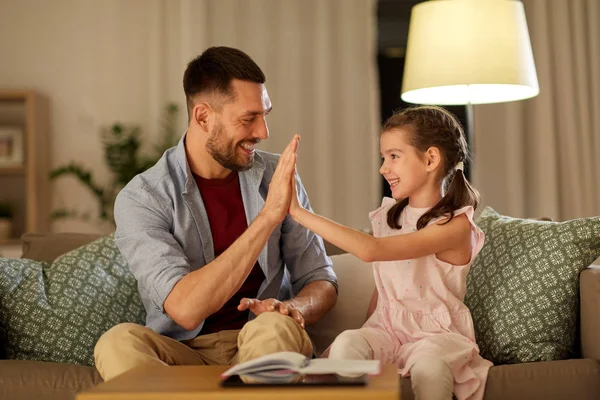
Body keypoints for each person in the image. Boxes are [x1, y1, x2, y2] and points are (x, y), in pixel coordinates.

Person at [94, 46, 338, 381]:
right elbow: (185, 310)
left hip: (259, 338)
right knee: (117, 342)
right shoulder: (142, 197)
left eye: (264, 114)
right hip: (183, 349)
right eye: (248, 118)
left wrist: (296, 308)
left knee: (273, 328)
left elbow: (319, 279)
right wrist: (267, 218)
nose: (263, 132)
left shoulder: (275, 176)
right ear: (203, 116)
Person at [286, 106, 492, 400]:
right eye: (384, 158)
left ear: (431, 158)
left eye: (394, 156)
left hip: (436, 336)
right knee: (347, 344)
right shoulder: (388, 217)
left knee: (430, 369)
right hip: (387, 329)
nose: (384, 168)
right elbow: (384, 289)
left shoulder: (455, 226)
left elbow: (373, 251)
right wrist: (364, 333)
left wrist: (297, 212)